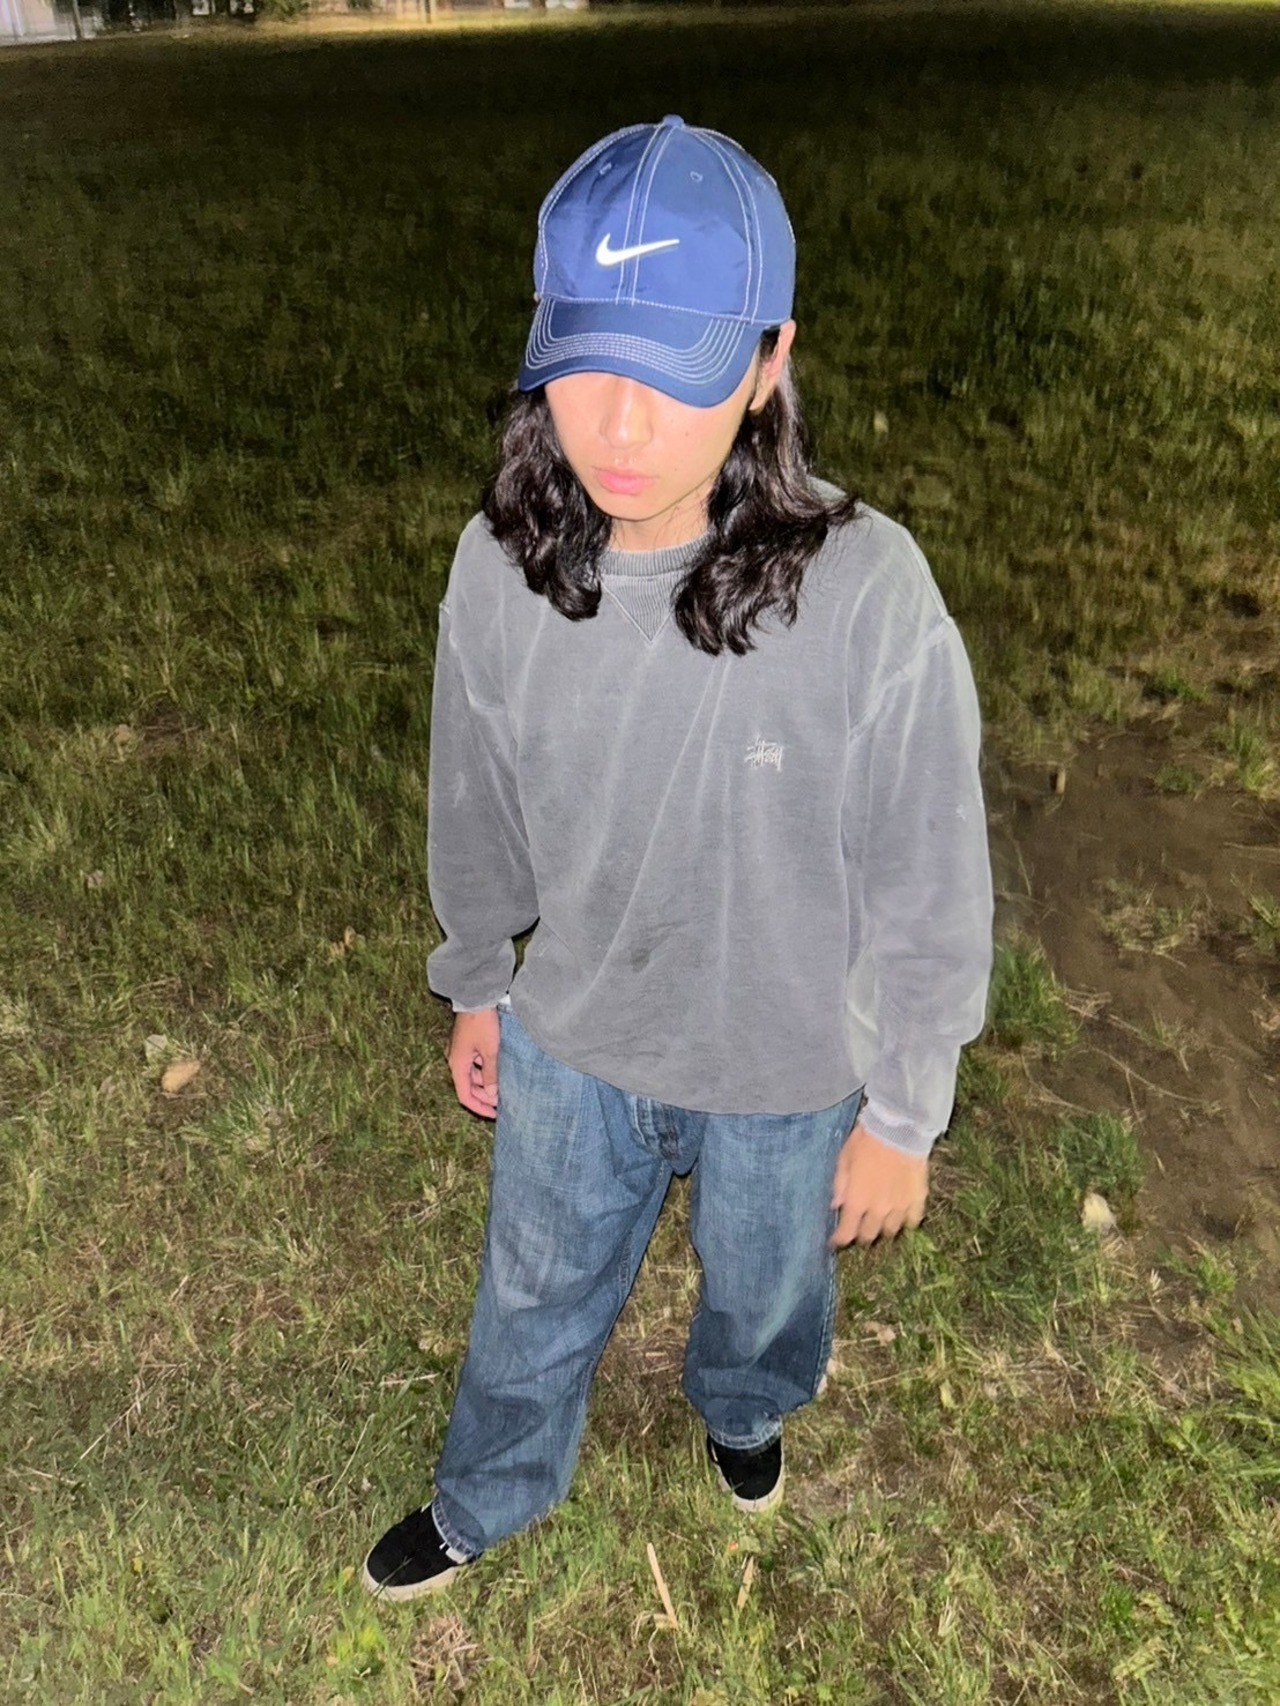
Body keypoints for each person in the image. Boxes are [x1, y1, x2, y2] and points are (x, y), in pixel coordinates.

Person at [362, 115, 993, 1602]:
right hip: (581, 1037)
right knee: (532, 1289)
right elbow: (476, 794)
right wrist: (476, 976)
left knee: (769, 1287)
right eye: (587, 362)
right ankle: (491, 1487)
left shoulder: (869, 591)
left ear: (770, 359)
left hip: (789, 1058)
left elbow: (930, 871)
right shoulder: (501, 569)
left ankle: (746, 1407)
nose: (621, 425)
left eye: (677, 370)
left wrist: (905, 1109)